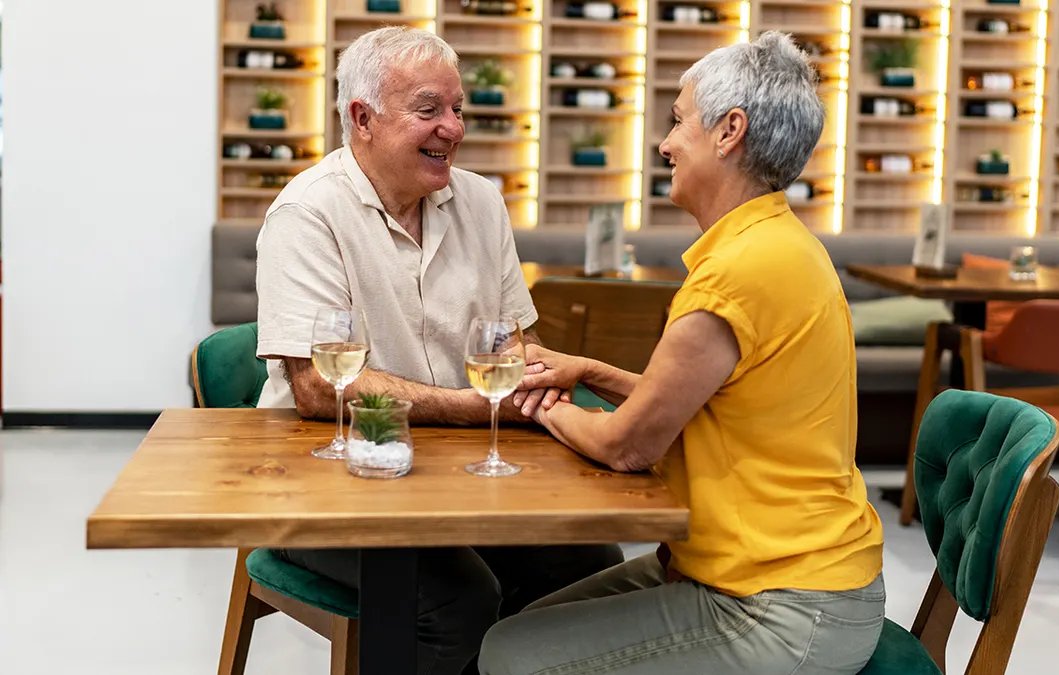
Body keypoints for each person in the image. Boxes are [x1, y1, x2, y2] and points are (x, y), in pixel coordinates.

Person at [482, 32, 885, 674]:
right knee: (525, 623)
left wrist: (538, 404)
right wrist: (584, 372)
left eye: (677, 121)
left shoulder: (737, 270)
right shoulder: (774, 243)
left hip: (783, 607)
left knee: (510, 655)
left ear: (730, 131)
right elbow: (697, 399)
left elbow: (628, 445)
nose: (666, 144)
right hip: (772, 575)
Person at [254, 26, 622, 675]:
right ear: (362, 118)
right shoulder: (307, 214)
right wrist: (475, 406)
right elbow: (317, 386)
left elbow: (512, 344)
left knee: (587, 565)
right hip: (325, 486)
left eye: (457, 110)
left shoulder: (481, 201)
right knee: (458, 600)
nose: (452, 127)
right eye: (429, 110)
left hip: (454, 477)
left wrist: (536, 385)